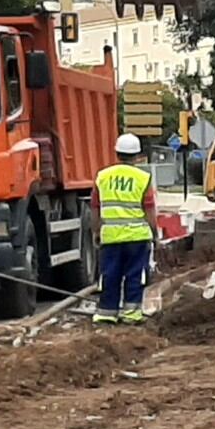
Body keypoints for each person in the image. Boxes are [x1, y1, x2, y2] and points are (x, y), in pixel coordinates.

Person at [92, 134, 158, 324]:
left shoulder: (103, 176)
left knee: (109, 275)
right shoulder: (143, 178)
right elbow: (149, 209)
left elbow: (95, 207)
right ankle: (131, 313)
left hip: (111, 238)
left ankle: (106, 312)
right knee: (135, 275)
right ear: (138, 156)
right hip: (137, 238)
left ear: (117, 153)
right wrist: (154, 234)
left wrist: (96, 231)